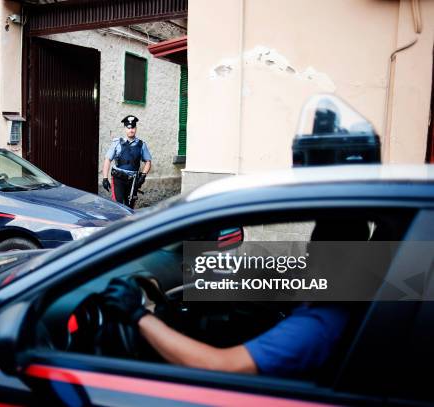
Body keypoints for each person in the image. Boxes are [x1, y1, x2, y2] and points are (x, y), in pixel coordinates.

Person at [102, 220, 371, 378]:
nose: (310, 257)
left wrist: (140, 317)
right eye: (313, 247)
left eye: (319, 250)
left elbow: (220, 365)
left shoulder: (318, 327)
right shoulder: (330, 298)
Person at [102, 115, 152, 208]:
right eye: (128, 128)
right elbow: (107, 159)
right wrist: (105, 178)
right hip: (118, 179)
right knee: (118, 206)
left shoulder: (141, 145)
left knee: (130, 206)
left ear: (136, 128)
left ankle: (129, 222)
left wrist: (143, 175)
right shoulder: (117, 142)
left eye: (133, 127)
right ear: (125, 128)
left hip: (133, 180)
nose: (131, 130)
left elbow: (148, 162)